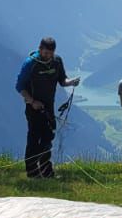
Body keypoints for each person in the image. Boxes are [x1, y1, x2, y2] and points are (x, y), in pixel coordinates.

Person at [15, 37, 79, 179]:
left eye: (50, 54)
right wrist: (32, 101)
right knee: (34, 138)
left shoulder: (57, 61)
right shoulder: (30, 64)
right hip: (33, 107)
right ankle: (32, 172)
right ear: (39, 49)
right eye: (44, 53)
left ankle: (46, 171)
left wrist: (71, 82)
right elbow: (19, 87)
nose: (47, 56)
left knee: (48, 137)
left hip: (49, 106)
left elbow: (62, 80)